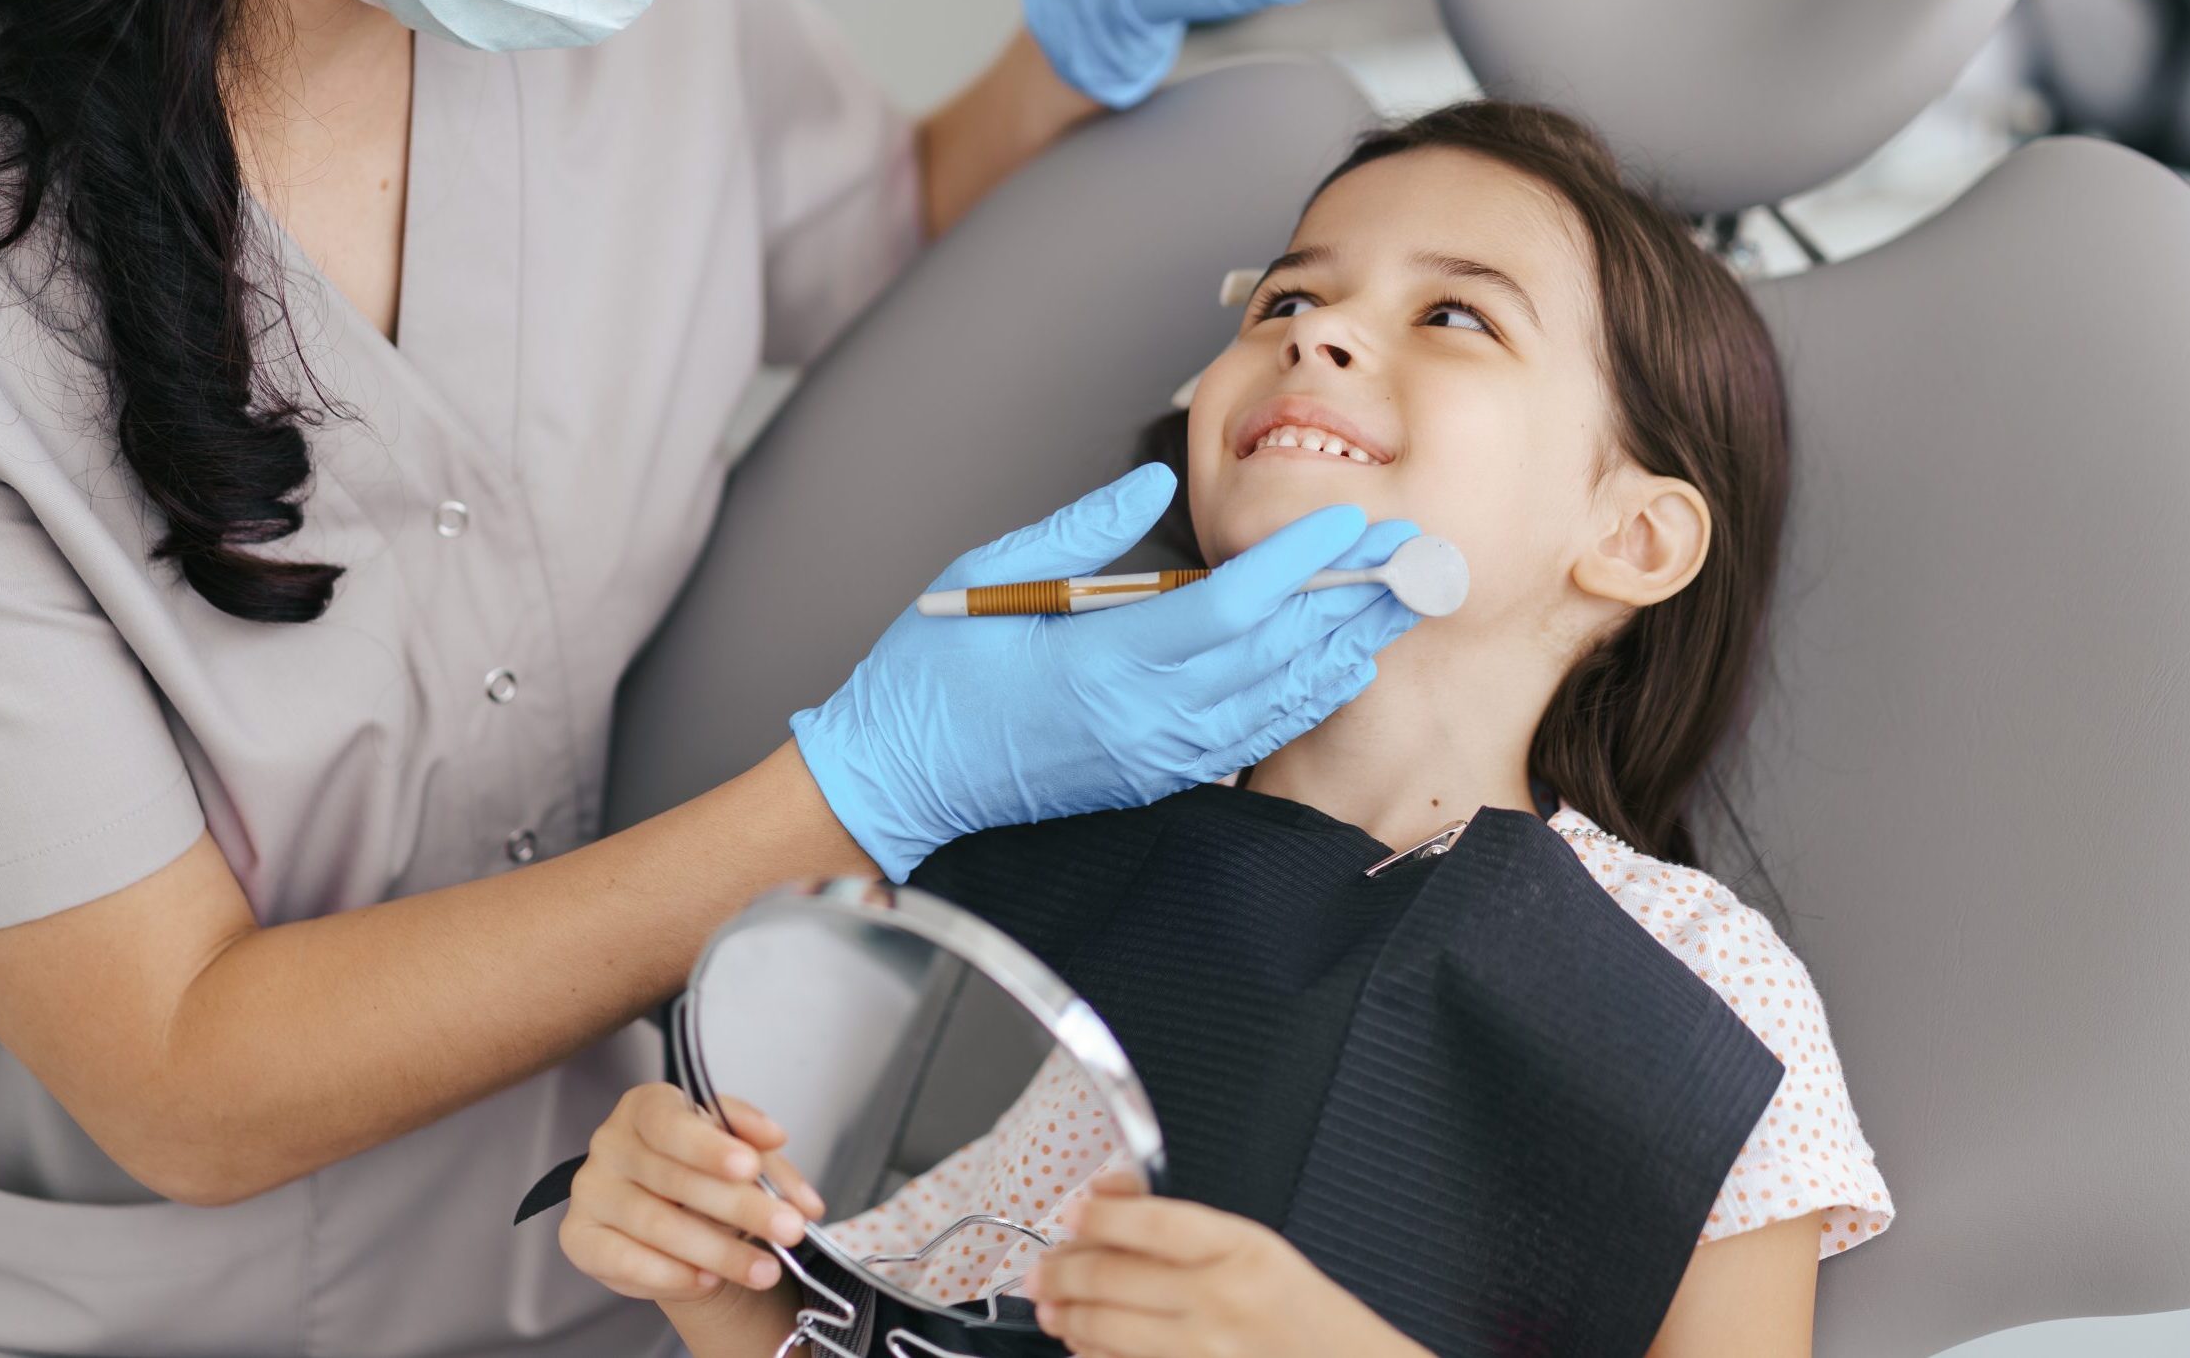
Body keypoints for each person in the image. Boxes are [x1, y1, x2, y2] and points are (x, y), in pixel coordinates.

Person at [0, 0, 1391, 1352]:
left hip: (616, 1239)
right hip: (76, 1301)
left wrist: (1072, 44)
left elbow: (855, 249)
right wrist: (874, 785)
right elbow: (185, 1079)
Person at [556, 101, 1890, 1357]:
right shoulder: (1001, 885)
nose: (1315, 335)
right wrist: (709, 1279)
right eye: (1288, 299)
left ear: (1634, 537)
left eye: (1453, 315)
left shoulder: (1703, 994)